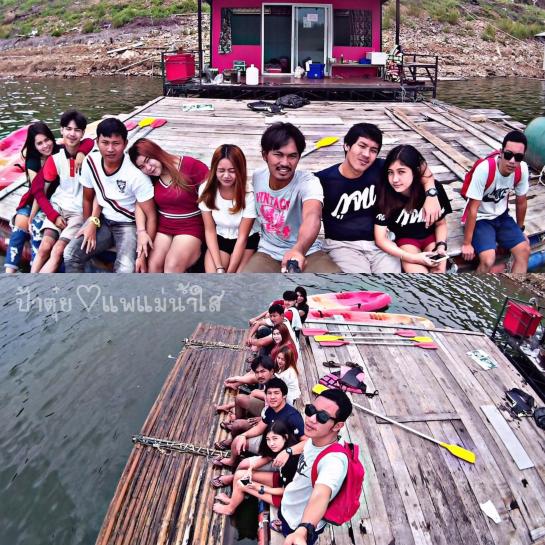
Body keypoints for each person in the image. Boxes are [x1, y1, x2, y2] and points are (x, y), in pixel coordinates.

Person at [316, 123, 441, 273]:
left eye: (373, 150)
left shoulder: (380, 168)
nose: (366, 154)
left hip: (381, 243)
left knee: (391, 283)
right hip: (343, 245)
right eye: (362, 146)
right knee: (361, 283)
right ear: (347, 145)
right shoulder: (322, 180)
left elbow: (420, 165)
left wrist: (431, 194)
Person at [243, 122, 341, 273]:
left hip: (307, 251)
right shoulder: (258, 177)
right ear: (264, 155)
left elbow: (312, 215)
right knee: (247, 283)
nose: (285, 163)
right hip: (268, 252)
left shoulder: (309, 182)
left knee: (333, 280)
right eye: (278, 154)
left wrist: (298, 249)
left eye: (292, 156)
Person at [63, 118, 156, 273]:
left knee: (126, 269)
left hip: (128, 225)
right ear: (97, 142)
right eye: (105, 143)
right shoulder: (90, 162)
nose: (110, 149)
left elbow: (151, 215)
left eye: (116, 143)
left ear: (125, 144)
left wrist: (143, 254)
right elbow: (87, 198)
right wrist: (89, 224)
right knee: (70, 254)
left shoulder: (136, 173)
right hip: (102, 220)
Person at [279, 389, 353, 545]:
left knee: (290, 534)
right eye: (311, 410)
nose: (311, 419)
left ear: (338, 425)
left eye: (322, 417)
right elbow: (308, 444)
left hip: (298, 523)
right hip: (289, 505)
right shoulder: (318, 437)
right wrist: (289, 451)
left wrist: (303, 530)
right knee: (283, 523)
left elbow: (321, 494)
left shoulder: (334, 462)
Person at [128, 137, 209, 273]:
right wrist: (141, 231)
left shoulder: (191, 166)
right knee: (153, 265)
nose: (148, 168)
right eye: (142, 167)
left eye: (148, 160)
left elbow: (214, 193)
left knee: (172, 266)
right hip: (164, 226)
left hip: (191, 225)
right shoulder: (150, 177)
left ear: (156, 153)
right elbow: (140, 204)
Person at [29, 111, 94, 272]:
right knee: (44, 247)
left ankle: (35, 285)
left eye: (77, 130)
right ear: (62, 130)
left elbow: (90, 142)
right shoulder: (55, 158)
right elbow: (41, 191)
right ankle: (28, 281)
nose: (72, 134)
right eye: (68, 129)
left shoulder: (91, 158)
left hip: (78, 212)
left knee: (58, 251)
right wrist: (48, 215)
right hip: (58, 207)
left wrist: (81, 153)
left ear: (83, 133)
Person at [374, 144, 452, 273]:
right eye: (390, 172)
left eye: (401, 172)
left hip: (430, 237)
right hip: (406, 241)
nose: (395, 179)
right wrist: (412, 258)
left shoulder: (433, 190)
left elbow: (441, 224)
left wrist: (441, 246)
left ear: (415, 171)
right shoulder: (386, 194)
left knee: (439, 270)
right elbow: (380, 239)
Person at [461, 130, 530, 273]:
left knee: (524, 250)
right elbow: (473, 209)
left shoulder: (522, 169)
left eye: (518, 157)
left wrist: (520, 230)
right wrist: (467, 243)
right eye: (508, 154)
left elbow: (521, 201)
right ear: (501, 152)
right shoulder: (485, 169)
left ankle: (513, 288)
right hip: (480, 218)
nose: (512, 161)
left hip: (501, 215)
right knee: (488, 259)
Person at [4, 122, 65, 272]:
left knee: (37, 227)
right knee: (20, 224)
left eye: (47, 140)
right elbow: (38, 192)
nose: (45, 146)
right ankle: (9, 273)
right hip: (35, 201)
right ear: (34, 145)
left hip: (54, 202)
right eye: (39, 143)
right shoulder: (33, 160)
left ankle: (35, 270)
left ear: (51, 137)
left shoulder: (61, 153)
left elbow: (86, 144)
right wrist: (31, 215)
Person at [212, 421, 300, 517]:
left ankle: (230, 509)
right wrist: (250, 470)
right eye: (268, 439)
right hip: (281, 480)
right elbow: (267, 458)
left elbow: (286, 490)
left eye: (275, 438)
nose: (271, 443)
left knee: (242, 483)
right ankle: (232, 501)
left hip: (288, 498)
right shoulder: (280, 447)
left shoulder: (291, 461)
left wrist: (259, 487)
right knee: (240, 475)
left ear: (285, 437)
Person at [214, 378, 305, 468]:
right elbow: (260, 428)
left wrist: (288, 451)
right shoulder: (271, 409)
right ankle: (233, 462)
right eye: (269, 393)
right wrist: (243, 435)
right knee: (237, 440)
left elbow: (307, 441)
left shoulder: (293, 417)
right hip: (269, 441)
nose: (272, 397)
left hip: (282, 454)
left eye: (276, 393)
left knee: (245, 466)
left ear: (284, 395)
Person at [198, 144, 259, 272]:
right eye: (221, 170)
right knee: (213, 276)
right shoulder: (206, 190)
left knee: (237, 278)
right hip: (219, 238)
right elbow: (209, 230)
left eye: (232, 171)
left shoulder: (249, 193)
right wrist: (219, 267)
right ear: (214, 169)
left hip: (245, 242)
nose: (226, 176)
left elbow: (243, 237)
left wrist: (229, 274)